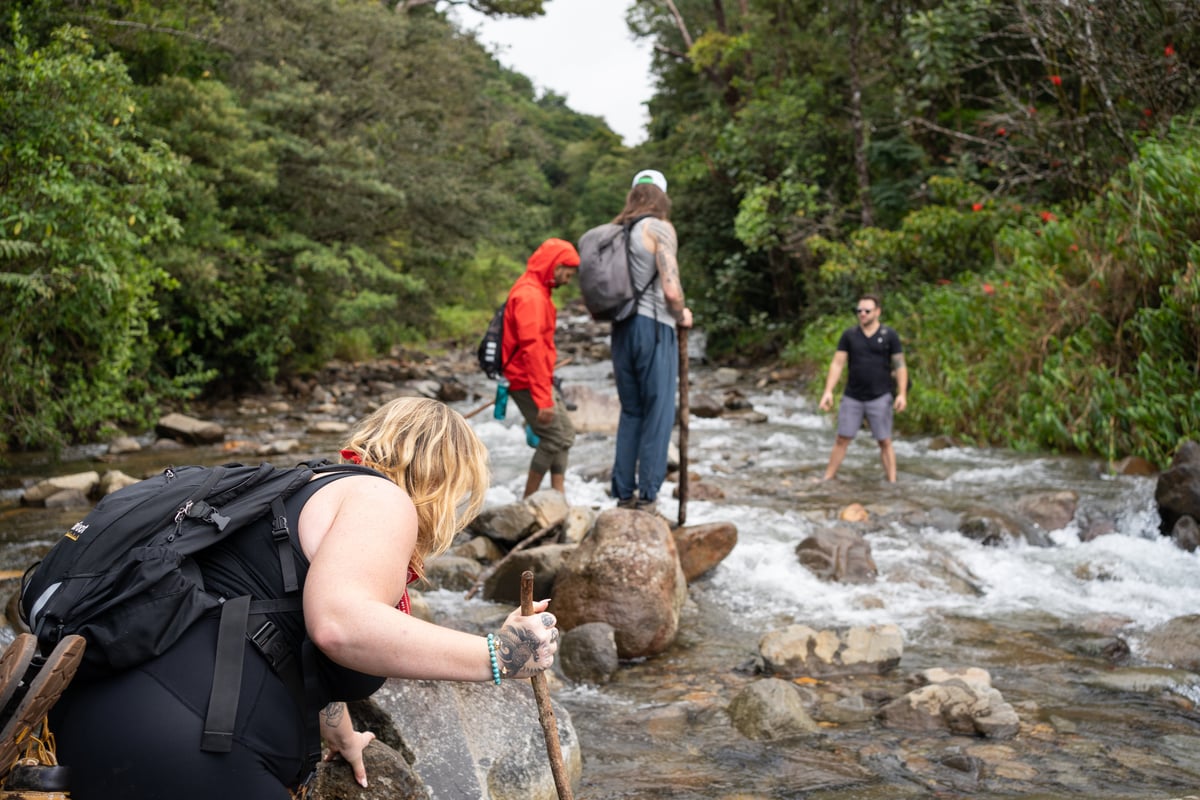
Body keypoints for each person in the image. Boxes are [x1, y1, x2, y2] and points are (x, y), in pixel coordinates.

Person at [49, 397, 560, 800]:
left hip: (99, 720)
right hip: (187, 743)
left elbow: (272, 628)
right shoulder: (382, 499)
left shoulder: (301, 487)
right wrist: (501, 655)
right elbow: (339, 625)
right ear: (445, 481)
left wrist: (338, 731)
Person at [610, 169, 693, 513]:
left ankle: (623, 494)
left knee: (631, 412)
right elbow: (671, 289)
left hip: (621, 329)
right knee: (658, 413)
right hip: (654, 326)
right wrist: (681, 314)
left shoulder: (616, 232)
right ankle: (648, 497)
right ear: (662, 196)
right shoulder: (659, 228)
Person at [502, 238, 580, 498]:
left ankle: (558, 495)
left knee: (565, 433)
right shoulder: (530, 296)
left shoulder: (539, 291)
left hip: (537, 379)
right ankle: (528, 501)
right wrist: (543, 398)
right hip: (525, 381)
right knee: (555, 438)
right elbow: (532, 349)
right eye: (567, 273)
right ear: (556, 266)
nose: (568, 279)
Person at [818, 294, 908, 482]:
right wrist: (828, 391)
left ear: (877, 312)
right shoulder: (849, 335)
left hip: (880, 395)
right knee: (842, 438)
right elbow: (837, 363)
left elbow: (900, 365)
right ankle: (828, 477)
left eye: (867, 311)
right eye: (859, 311)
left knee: (884, 441)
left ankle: (892, 481)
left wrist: (902, 394)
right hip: (853, 396)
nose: (863, 314)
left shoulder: (889, 335)